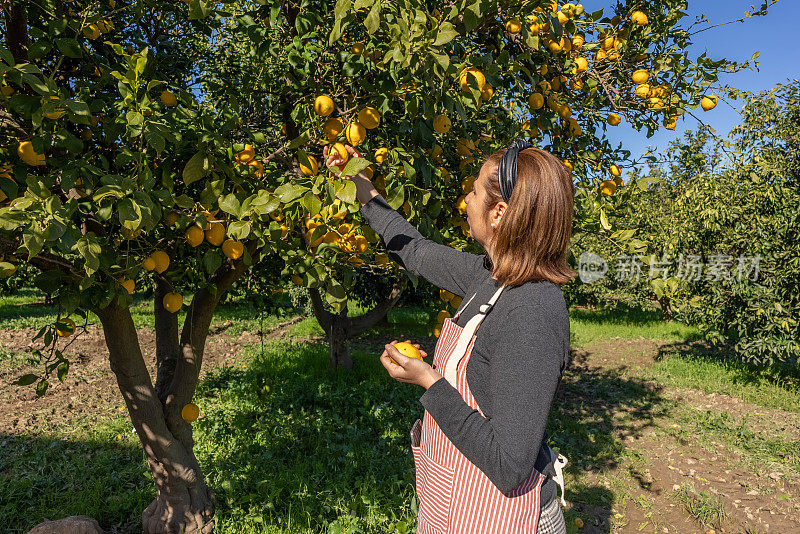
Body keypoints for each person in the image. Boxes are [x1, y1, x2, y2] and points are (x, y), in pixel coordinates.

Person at [324, 139, 575, 534]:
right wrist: (357, 183)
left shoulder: (533, 313)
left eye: (474, 191)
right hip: (456, 502)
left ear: (499, 213)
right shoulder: (490, 275)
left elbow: (508, 466)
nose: (465, 200)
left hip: (504, 518)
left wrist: (429, 380)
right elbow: (415, 250)